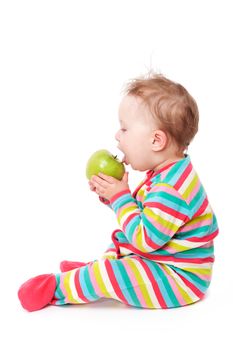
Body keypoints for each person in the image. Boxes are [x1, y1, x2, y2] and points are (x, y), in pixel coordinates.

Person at [18, 72, 219, 311]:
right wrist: (112, 197)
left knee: (113, 273)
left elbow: (144, 240)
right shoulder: (169, 174)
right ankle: (91, 273)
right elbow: (146, 217)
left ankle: (59, 287)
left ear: (156, 141)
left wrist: (121, 197)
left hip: (179, 280)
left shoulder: (171, 189)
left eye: (124, 129)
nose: (117, 135)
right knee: (120, 241)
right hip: (162, 261)